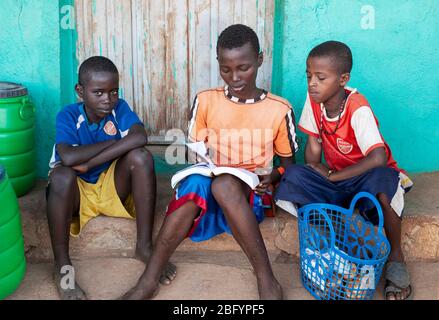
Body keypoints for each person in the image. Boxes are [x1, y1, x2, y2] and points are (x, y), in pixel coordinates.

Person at [122, 24, 298, 300]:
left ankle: (267, 280)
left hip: (248, 193)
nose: (235, 77)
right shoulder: (205, 101)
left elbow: (288, 164)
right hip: (207, 182)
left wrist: (271, 177)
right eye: (226, 69)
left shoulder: (279, 108)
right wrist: (205, 158)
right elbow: (195, 152)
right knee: (198, 183)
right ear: (218, 63)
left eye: (244, 67)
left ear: (260, 60)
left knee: (226, 185)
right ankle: (148, 280)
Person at [275, 41, 414, 300]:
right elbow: (313, 154)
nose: (312, 83)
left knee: (385, 179)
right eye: (309, 76)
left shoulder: (357, 106)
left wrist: (332, 176)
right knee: (292, 177)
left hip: (366, 178)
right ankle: (346, 241)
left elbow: (378, 157)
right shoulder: (314, 100)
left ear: (343, 79)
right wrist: (318, 165)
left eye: (321, 77)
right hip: (338, 180)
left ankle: (395, 255)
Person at [47, 56, 176, 300]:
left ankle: (145, 247)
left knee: (140, 157)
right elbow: (67, 155)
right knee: (61, 175)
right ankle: (62, 265)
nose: (108, 99)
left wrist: (91, 162)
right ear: (80, 91)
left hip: (111, 186)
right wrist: (116, 142)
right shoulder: (68, 115)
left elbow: (139, 138)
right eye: (99, 92)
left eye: (113, 91)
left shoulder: (120, 109)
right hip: (77, 192)